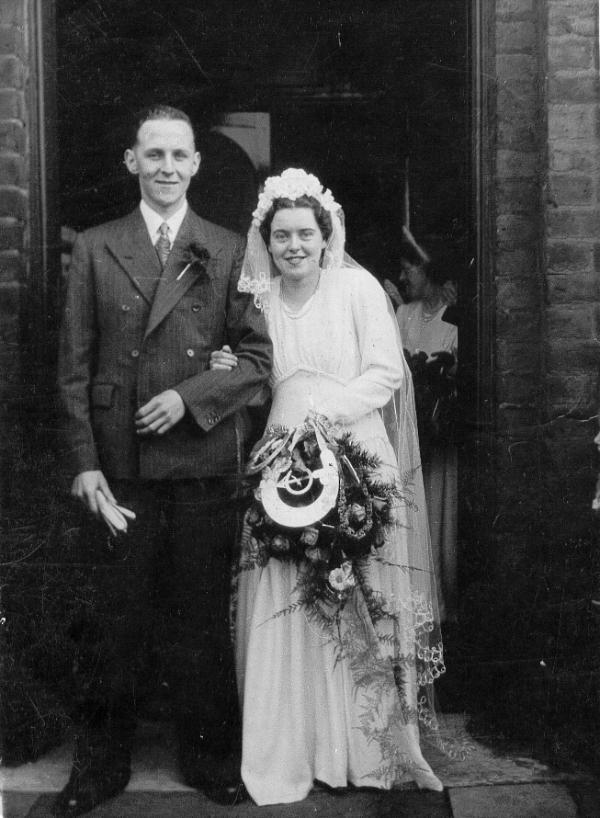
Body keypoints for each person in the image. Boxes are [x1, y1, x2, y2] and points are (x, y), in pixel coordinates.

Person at [55, 105, 272, 816]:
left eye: (179, 155)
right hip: (120, 465)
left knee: (200, 618)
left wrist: (188, 397)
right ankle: (99, 769)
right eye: (154, 155)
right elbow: (72, 369)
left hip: (201, 458)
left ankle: (210, 760)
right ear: (131, 162)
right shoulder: (95, 246)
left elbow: (256, 359)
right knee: (116, 619)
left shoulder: (228, 246)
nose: (167, 168)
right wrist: (85, 463)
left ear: (197, 165)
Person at [210, 168, 447, 805]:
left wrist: (327, 417)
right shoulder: (255, 297)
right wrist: (226, 367)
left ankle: (363, 751)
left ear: (325, 235)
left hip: (355, 446)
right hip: (284, 452)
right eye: (281, 234)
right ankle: (293, 746)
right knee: (287, 594)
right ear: (266, 239)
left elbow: (384, 372)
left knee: (358, 594)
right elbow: (256, 375)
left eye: (304, 234)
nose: (293, 246)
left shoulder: (356, 287)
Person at [395, 227, 458, 622]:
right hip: (408, 435)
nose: (403, 278)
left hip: (439, 437)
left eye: (409, 270)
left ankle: (443, 604)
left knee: (438, 514)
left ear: (428, 270)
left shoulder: (456, 318)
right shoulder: (402, 314)